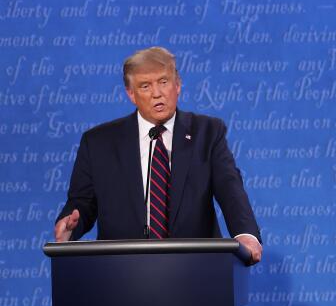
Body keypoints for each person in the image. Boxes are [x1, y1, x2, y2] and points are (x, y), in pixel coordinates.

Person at [53, 46, 263, 263]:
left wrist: (246, 235)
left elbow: (230, 188)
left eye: (163, 82)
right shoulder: (98, 143)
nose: (157, 93)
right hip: (120, 271)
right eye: (145, 86)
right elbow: (82, 203)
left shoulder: (207, 133)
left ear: (178, 85)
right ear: (131, 94)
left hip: (196, 268)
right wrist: (69, 227)